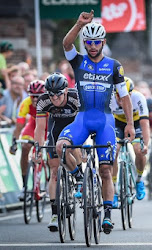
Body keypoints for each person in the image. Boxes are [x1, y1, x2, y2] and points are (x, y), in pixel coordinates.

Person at [56, 10, 135, 234]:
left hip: (105, 121)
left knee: (106, 170)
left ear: (103, 42)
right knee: (61, 147)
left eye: (96, 42)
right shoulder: (78, 61)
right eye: (88, 42)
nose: (92, 46)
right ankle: (79, 177)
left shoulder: (114, 65)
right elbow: (66, 43)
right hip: (82, 119)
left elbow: (125, 97)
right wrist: (79, 25)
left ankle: (108, 214)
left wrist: (129, 124)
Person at [33, 72, 79, 232]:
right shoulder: (43, 101)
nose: (54, 98)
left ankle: (79, 178)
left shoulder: (75, 97)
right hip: (56, 128)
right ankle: (54, 213)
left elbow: (83, 123)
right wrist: (38, 149)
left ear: (66, 90)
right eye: (51, 95)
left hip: (75, 125)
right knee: (54, 171)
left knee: (75, 150)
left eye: (58, 94)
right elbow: (39, 128)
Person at [111, 77, 150, 207]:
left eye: (125, 96)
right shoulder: (110, 99)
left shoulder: (139, 98)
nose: (122, 100)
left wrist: (147, 144)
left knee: (139, 150)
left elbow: (144, 124)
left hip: (136, 123)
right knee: (113, 151)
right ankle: (114, 189)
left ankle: (139, 180)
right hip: (117, 124)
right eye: (119, 96)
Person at [9, 80, 46, 200]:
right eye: (32, 96)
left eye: (38, 96)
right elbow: (19, 125)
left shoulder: (49, 102)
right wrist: (14, 141)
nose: (35, 99)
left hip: (48, 126)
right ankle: (25, 187)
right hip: (33, 125)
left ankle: (51, 180)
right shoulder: (26, 103)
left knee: (52, 155)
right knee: (25, 148)